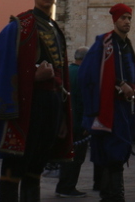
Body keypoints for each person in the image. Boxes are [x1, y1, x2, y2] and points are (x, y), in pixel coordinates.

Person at [0, 0, 74, 202]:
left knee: (36, 168)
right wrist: (33, 76)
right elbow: (0, 65)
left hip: (51, 105)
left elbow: (62, 76)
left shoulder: (55, 28)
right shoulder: (19, 25)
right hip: (27, 106)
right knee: (13, 169)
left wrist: (63, 114)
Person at [79, 3, 135, 202]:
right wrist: (119, 84)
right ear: (115, 20)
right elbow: (88, 73)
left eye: (129, 18)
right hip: (108, 108)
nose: (127, 22)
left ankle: (113, 195)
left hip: (125, 108)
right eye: (123, 18)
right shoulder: (104, 43)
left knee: (120, 151)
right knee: (111, 153)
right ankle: (112, 196)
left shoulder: (127, 45)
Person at [55, 47, 89, 198]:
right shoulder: (84, 74)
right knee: (77, 157)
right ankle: (68, 187)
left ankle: (62, 186)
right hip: (78, 122)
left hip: (64, 121)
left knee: (66, 154)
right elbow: (84, 101)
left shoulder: (67, 71)